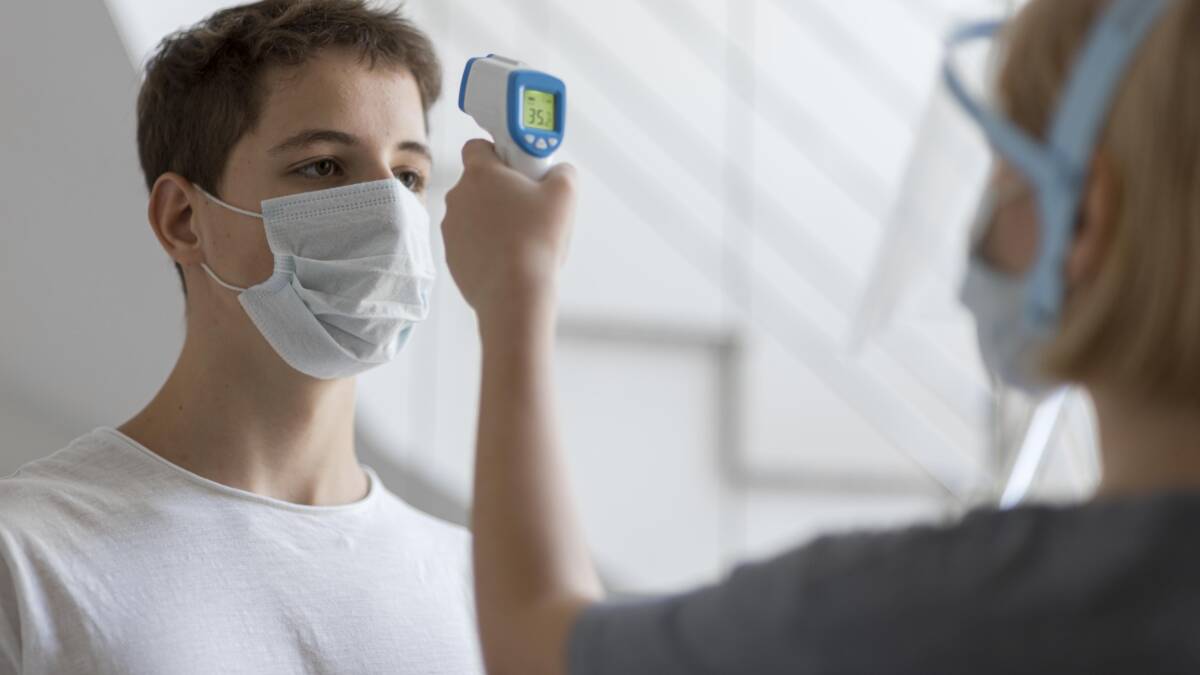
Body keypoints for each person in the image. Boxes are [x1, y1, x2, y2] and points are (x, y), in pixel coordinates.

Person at [440, 0, 1200, 672]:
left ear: (1086, 218)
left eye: (1004, 176)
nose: (985, 220)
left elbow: (537, 644)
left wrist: (516, 290)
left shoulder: (926, 612)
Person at [0, 1, 482, 673]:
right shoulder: (29, 556)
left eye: (408, 176)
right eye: (323, 166)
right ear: (183, 219)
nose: (393, 218)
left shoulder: (475, 584)